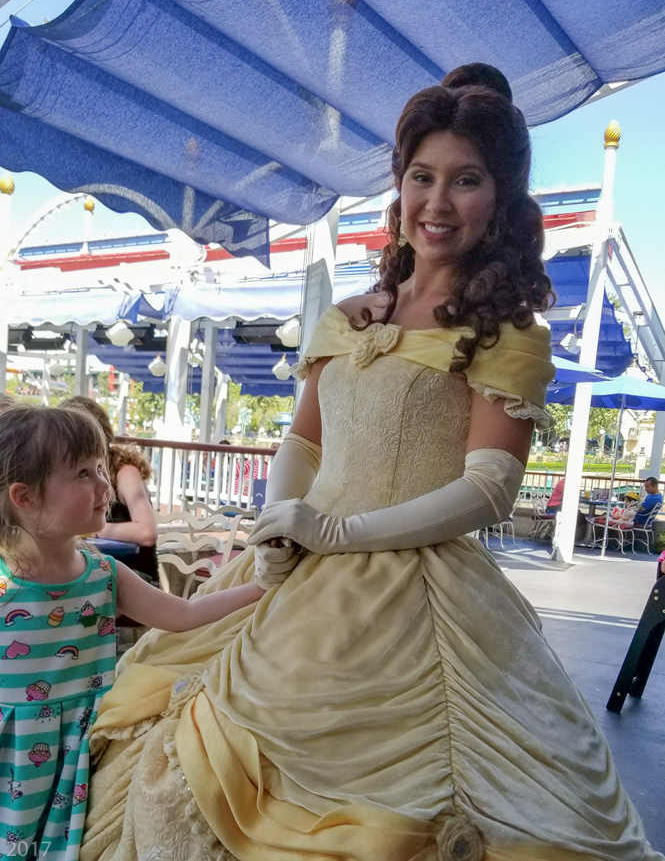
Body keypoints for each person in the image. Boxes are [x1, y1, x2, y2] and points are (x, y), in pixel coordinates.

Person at [81, 64, 664, 861]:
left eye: (466, 179)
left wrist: (334, 527)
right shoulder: (349, 315)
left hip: (424, 592)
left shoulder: (509, 334)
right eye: (421, 175)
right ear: (399, 186)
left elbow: (490, 488)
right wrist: (279, 522)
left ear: (500, 199)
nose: (437, 200)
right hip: (299, 572)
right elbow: (304, 440)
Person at [0, 406, 263, 859]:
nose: (104, 485)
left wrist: (265, 586)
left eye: (101, 469)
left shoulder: (105, 574)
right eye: (84, 474)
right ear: (25, 497)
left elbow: (185, 614)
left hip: (73, 767)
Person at [58, 396, 158, 585]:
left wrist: (92, 530)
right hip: (92, 572)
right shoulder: (67, 474)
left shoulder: (125, 472)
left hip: (135, 577)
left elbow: (147, 532)